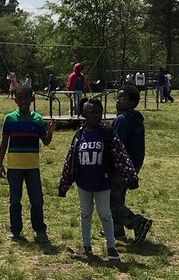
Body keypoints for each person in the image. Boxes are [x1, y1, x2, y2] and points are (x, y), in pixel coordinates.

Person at [58, 97, 138, 262]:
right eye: (91, 112)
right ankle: (86, 245)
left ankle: (111, 247)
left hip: (103, 182)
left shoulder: (108, 133)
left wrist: (131, 177)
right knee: (85, 213)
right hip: (84, 183)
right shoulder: (79, 135)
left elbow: (121, 155)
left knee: (105, 214)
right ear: (83, 114)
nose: (95, 115)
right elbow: (70, 160)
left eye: (98, 112)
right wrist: (64, 184)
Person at [0, 84, 56, 243]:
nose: (23, 101)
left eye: (26, 98)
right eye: (20, 98)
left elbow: (46, 141)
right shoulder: (10, 119)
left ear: (32, 99)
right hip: (14, 167)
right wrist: (0, 163)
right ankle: (15, 230)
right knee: (15, 200)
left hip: (32, 167)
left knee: (36, 200)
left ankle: (40, 230)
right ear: (15, 100)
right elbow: (4, 142)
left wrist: (50, 132)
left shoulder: (37, 119)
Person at [110, 84, 152, 245]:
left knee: (111, 202)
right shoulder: (135, 118)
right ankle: (116, 230)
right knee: (117, 197)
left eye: (122, 98)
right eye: (117, 97)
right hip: (133, 165)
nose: (118, 100)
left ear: (132, 102)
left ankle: (138, 223)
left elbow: (115, 145)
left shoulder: (122, 120)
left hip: (121, 166)